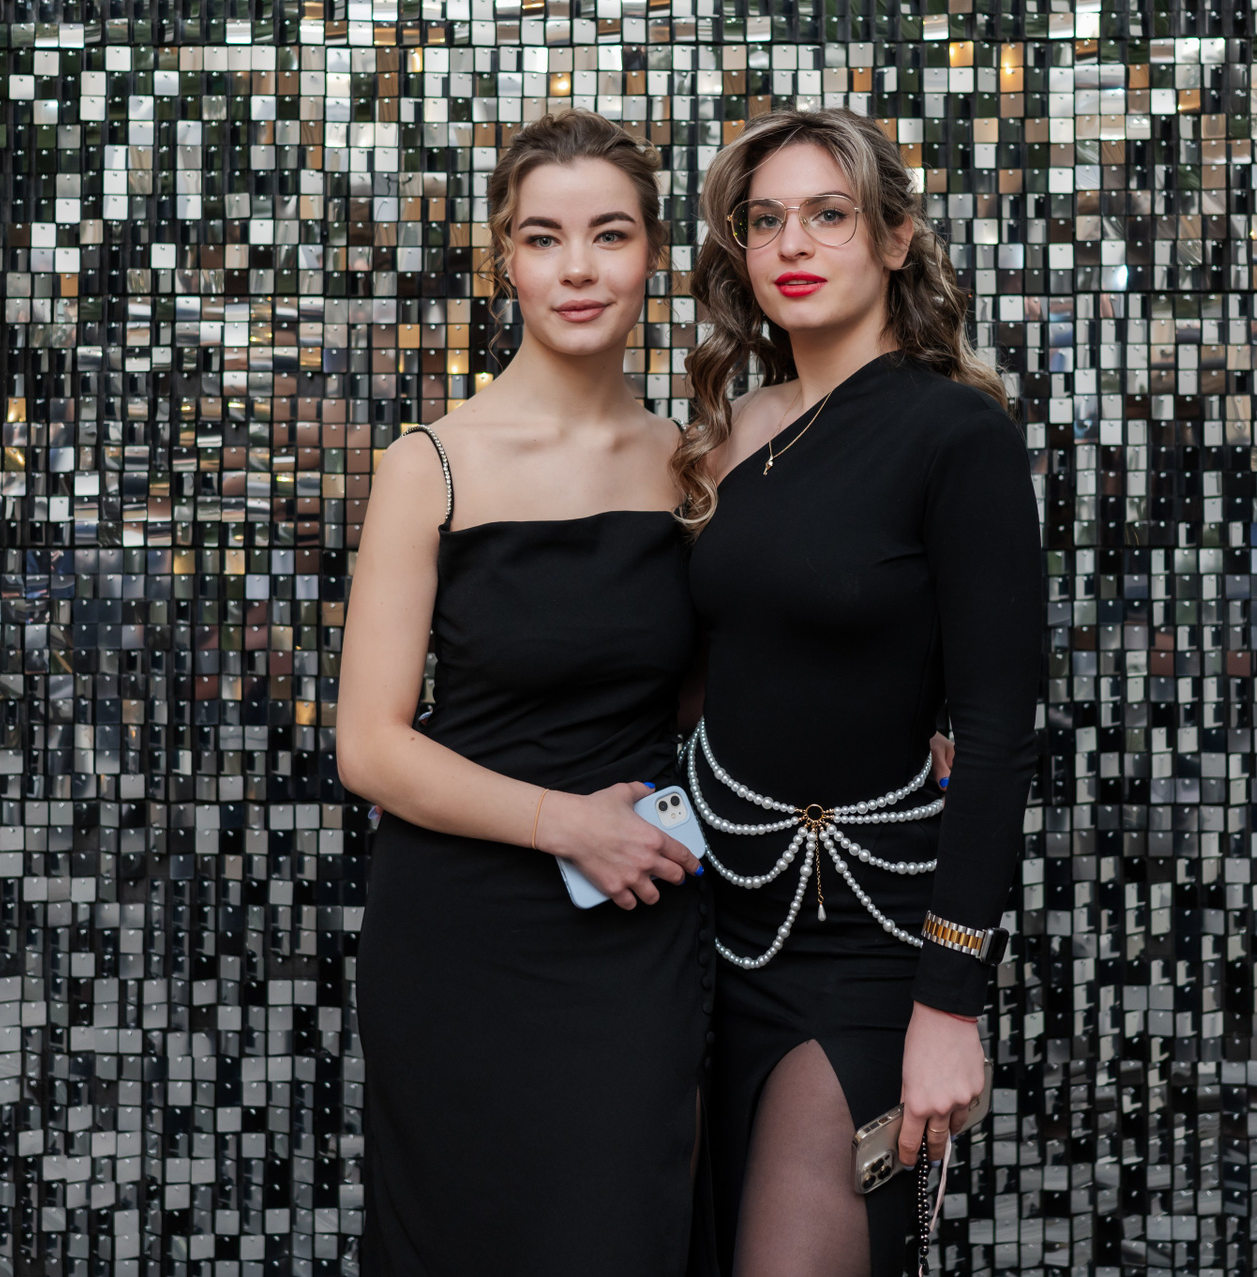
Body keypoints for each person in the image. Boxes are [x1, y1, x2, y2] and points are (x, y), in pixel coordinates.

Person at [336, 109, 713, 1277]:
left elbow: (731, 694)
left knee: (618, 1231)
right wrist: (566, 823)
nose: (578, 268)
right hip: (460, 934)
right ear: (507, 258)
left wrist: (911, 728)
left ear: (654, 254)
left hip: (635, 928)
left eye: (610, 234)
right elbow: (369, 747)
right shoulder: (431, 465)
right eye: (545, 238)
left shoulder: (693, 466)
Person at [678, 108, 1044, 1277]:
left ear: (893, 239)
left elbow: (996, 732)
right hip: (702, 935)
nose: (793, 243)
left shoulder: (957, 433)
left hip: (869, 944)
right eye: (766, 220)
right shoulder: (728, 434)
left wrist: (949, 1003)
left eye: (829, 215)